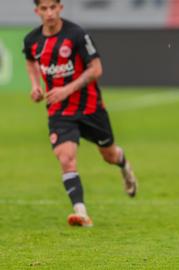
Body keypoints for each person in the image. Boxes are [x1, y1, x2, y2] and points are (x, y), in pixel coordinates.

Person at [23, 0, 138, 227]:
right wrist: (35, 86)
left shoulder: (76, 35)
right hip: (59, 111)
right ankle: (81, 212)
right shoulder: (32, 40)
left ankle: (124, 166)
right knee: (66, 158)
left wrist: (66, 89)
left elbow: (96, 69)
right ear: (37, 11)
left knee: (109, 155)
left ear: (60, 8)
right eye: (44, 9)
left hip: (90, 108)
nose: (49, 13)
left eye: (53, 7)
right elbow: (30, 62)